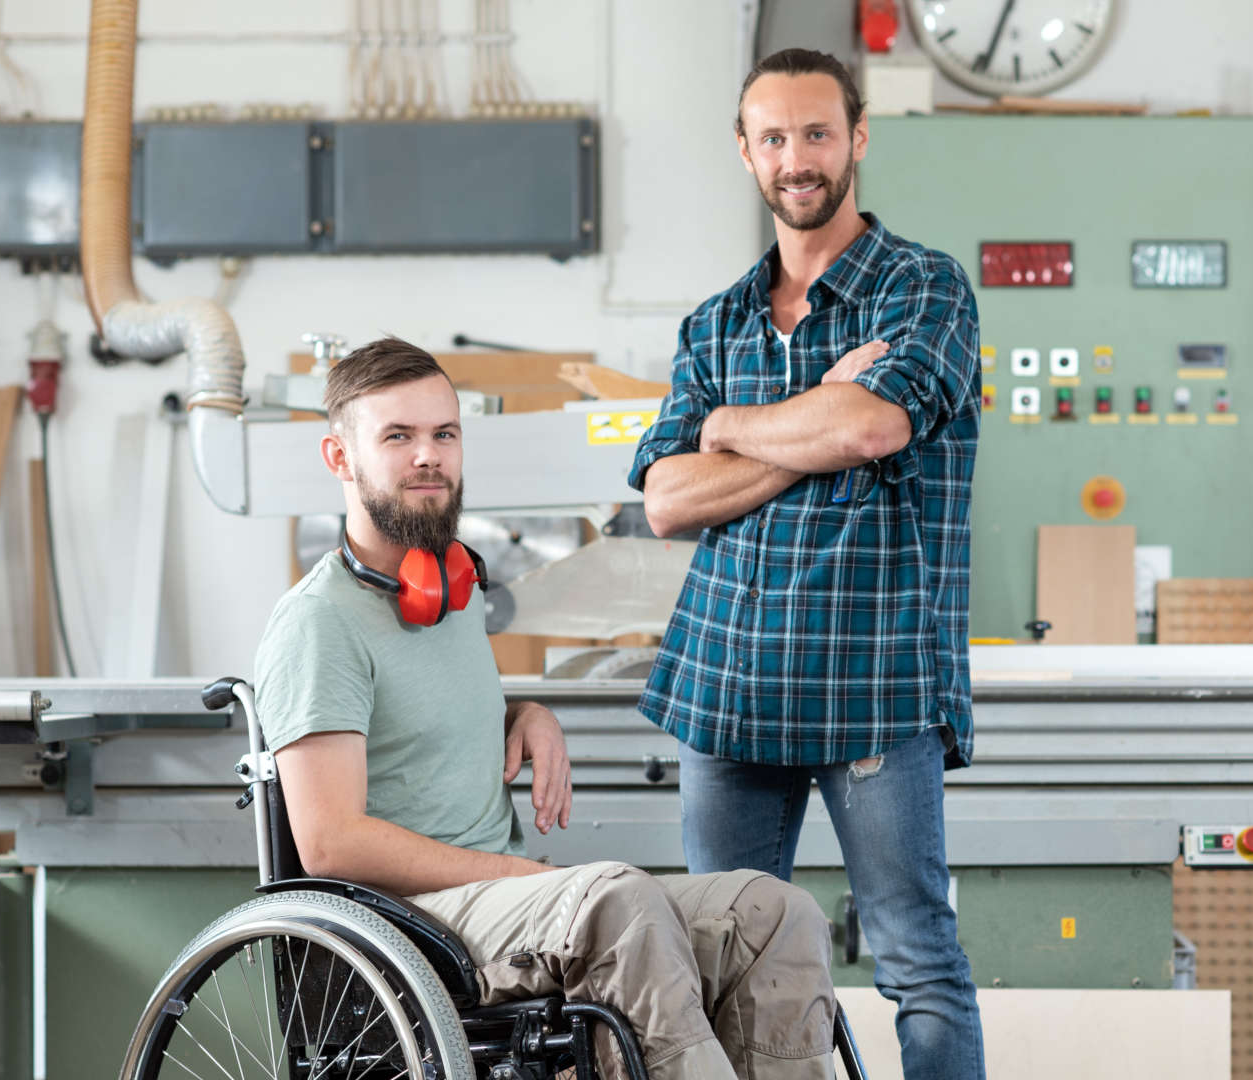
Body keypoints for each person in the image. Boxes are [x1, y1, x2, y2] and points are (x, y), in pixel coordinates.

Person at [252, 335, 838, 1080]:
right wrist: (508, 874)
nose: (427, 456)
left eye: (444, 434)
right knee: (616, 902)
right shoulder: (318, 623)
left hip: (494, 902)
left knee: (770, 910)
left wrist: (522, 712)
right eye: (397, 437)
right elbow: (333, 843)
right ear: (340, 458)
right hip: (405, 927)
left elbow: (411, 722)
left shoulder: (451, 592)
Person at [630, 48, 985, 1080]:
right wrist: (794, 428)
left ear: (858, 138)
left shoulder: (924, 289)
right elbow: (664, 499)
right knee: (721, 964)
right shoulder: (717, 322)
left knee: (915, 957)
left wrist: (732, 434)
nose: (798, 157)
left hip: (873, 680)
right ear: (746, 152)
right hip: (729, 686)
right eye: (774, 137)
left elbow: (874, 427)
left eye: (817, 133)